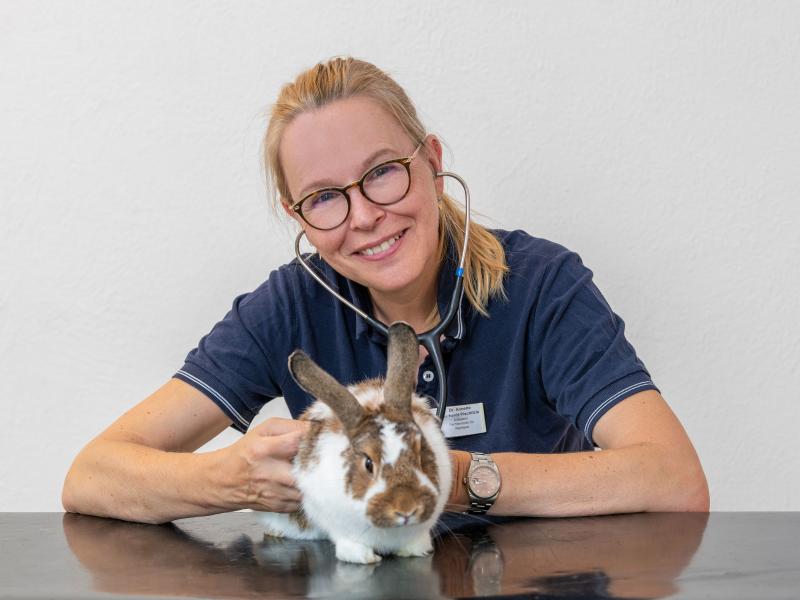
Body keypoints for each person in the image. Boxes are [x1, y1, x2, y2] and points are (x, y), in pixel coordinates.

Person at [62, 57, 709, 525]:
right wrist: (229, 480)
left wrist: (445, 477)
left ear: (429, 161)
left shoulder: (542, 286)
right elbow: (91, 475)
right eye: (325, 198)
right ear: (299, 217)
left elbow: (672, 477)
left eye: (381, 174)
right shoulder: (290, 305)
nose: (365, 216)